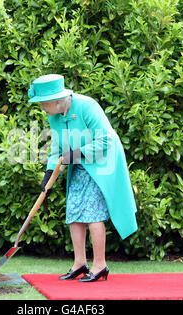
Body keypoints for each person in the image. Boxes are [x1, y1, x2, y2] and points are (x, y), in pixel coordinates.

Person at [28, 74, 138, 282]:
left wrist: (72, 156)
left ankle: (100, 265)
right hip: (78, 163)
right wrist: (49, 175)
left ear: (57, 100)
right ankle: (80, 263)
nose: (42, 108)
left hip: (103, 163)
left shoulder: (87, 106)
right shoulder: (54, 116)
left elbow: (106, 140)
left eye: (44, 104)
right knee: (74, 209)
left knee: (92, 211)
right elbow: (57, 150)